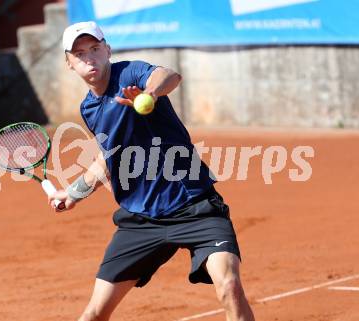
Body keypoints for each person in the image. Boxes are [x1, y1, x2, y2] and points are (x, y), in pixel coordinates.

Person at [49, 21, 255, 321]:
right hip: (141, 219)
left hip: (194, 205)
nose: (89, 59)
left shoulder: (130, 73)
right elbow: (109, 158)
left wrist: (150, 94)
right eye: (80, 54)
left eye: (95, 49)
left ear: (108, 49)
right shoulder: (89, 109)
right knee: (94, 314)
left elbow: (168, 75)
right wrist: (73, 193)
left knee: (230, 286)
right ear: (69, 64)